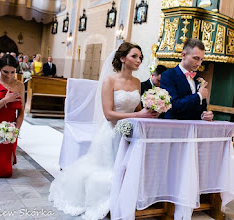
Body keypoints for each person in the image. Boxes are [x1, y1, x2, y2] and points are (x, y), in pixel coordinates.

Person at [49, 42, 159, 220]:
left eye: (140, 57)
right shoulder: (110, 81)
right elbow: (108, 114)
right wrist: (139, 113)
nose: (139, 60)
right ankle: (104, 202)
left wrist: (150, 109)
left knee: (127, 169)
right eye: (134, 56)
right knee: (108, 170)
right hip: (112, 133)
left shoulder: (137, 82)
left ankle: (125, 200)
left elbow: (136, 108)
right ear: (122, 58)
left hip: (130, 132)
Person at [160, 38, 213, 121]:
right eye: (196, 58)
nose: (199, 63)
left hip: (194, 128)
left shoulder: (198, 79)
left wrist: (204, 114)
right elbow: (173, 105)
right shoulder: (168, 76)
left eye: (201, 59)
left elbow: (201, 107)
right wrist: (198, 96)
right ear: (183, 55)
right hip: (175, 127)